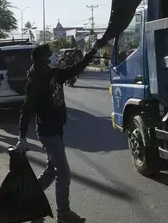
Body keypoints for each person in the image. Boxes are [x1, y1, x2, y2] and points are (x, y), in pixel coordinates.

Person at [15, 37, 107, 223]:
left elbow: (76, 68)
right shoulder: (36, 82)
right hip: (48, 131)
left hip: (56, 129)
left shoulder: (54, 74)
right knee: (63, 172)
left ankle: (29, 198)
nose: (55, 58)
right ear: (43, 60)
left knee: (51, 170)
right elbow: (27, 109)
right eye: (51, 57)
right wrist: (22, 136)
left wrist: (92, 51)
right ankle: (63, 213)